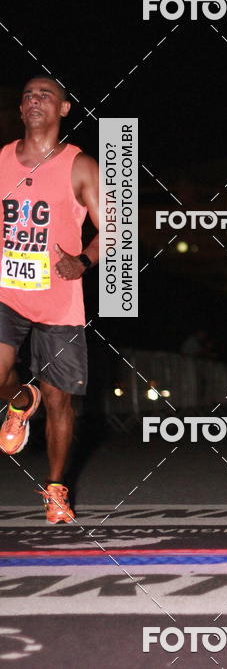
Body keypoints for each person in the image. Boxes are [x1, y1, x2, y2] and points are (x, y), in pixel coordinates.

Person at [0, 77, 99, 523]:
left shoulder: (80, 165)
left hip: (59, 301)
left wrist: (83, 259)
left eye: (45, 95)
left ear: (64, 108)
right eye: (27, 96)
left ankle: (56, 490)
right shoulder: (2, 160)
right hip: (7, 295)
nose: (34, 100)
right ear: (20, 111)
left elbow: (117, 227)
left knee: (60, 402)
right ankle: (21, 397)